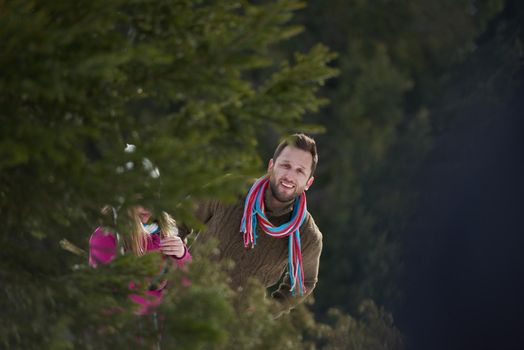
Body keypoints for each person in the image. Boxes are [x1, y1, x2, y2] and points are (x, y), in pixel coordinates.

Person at [181, 133, 322, 316]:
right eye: (285, 165)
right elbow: (182, 216)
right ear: (271, 166)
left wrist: (269, 311)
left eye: (300, 171)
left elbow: (305, 282)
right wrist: (173, 260)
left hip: (232, 326)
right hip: (183, 298)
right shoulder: (232, 188)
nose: (289, 176)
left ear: (309, 182)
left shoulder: (307, 235)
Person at [89, 205, 191, 315]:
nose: (148, 207)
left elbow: (189, 284)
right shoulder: (107, 235)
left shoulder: (163, 233)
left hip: (164, 322)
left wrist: (182, 255)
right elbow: (110, 291)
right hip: (125, 324)